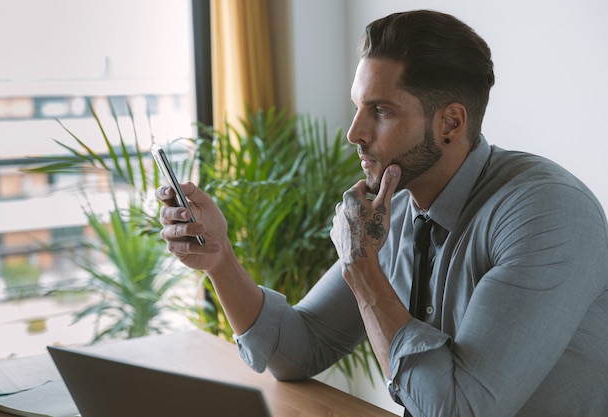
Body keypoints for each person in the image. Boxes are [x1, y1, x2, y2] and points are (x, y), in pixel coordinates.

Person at [156, 10, 608, 417]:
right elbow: (299, 349)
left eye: (381, 111)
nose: (354, 133)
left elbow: (457, 411)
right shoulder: (394, 206)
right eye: (358, 108)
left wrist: (363, 267)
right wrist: (218, 258)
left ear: (450, 123)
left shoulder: (546, 214)